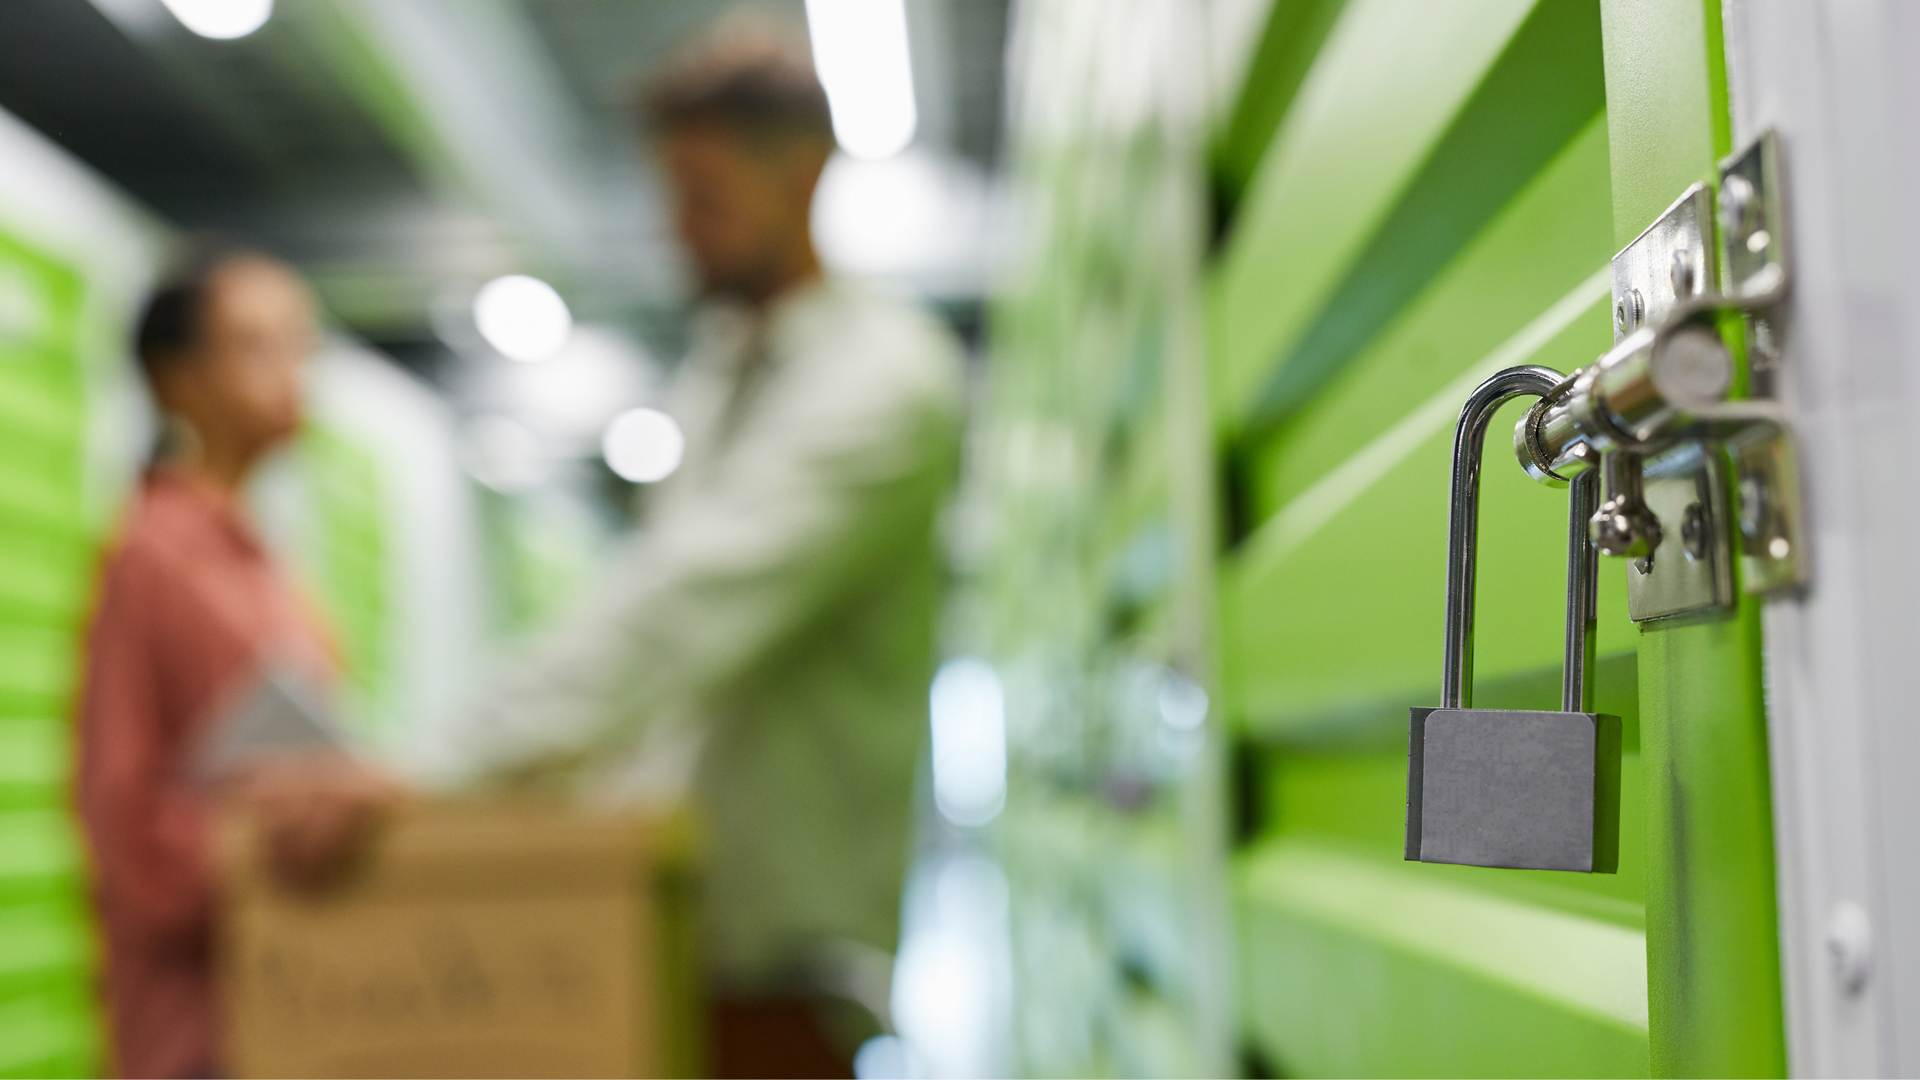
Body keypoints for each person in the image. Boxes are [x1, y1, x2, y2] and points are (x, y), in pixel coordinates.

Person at [430, 19, 966, 1077]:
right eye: (670, 196)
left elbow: (681, 612)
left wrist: (431, 776)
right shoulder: (721, 374)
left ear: (803, 175)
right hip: (676, 937)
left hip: (783, 977)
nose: (679, 231)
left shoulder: (884, 381)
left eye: (705, 195)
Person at [77, 246, 395, 1079]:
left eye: (301, 344)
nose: (294, 372)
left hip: (290, 1000)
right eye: (259, 345)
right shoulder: (149, 557)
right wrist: (267, 839)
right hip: (196, 1029)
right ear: (175, 379)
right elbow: (123, 820)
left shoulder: (267, 565)